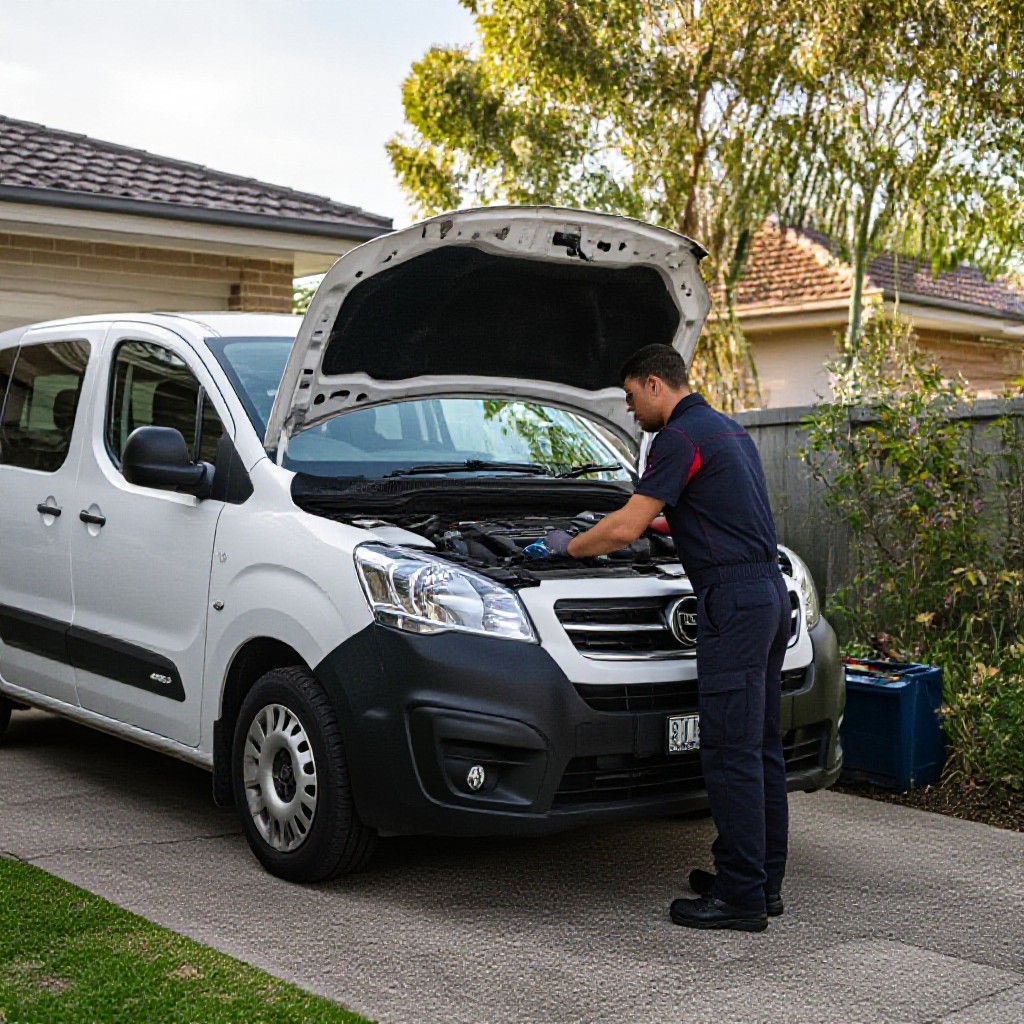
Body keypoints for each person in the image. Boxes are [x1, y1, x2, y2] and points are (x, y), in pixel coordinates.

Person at [544, 343, 789, 933]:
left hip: (731, 602)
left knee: (729, 753)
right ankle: (758, 880)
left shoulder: (677, 438)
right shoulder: (725, 430)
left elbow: (626, 527)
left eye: (631, 398)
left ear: (655, 385)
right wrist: (665, 519)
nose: (631, 412)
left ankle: (740, 900)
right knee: (759, 749)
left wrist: (565, 546)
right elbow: (708, 510)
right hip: (769, 596)